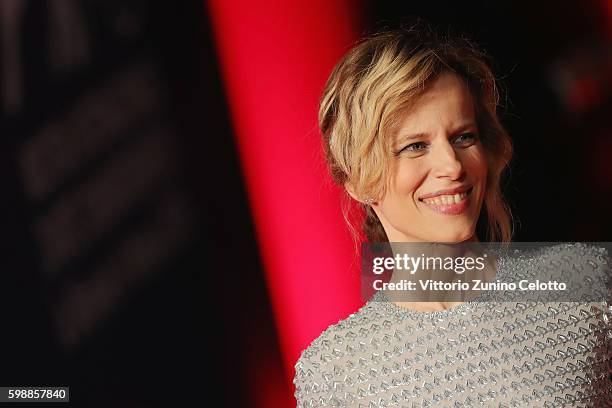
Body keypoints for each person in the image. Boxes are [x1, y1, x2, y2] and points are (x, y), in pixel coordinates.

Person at [293, 20, 612, 407]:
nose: (452, 165)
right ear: (359, 181)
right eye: (414, 146)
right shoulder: (335, 371)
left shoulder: (583, 282)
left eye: (464, 137)